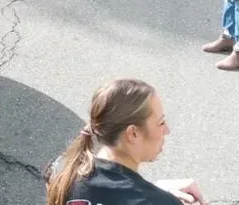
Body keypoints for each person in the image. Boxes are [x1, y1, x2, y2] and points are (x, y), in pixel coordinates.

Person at [46, 79, 207, 205]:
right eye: (161, 122)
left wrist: (155, 190)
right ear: (133, 133)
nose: (167, 130)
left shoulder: (62, 168)